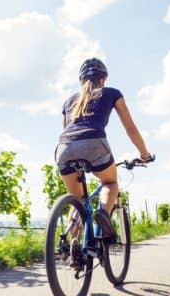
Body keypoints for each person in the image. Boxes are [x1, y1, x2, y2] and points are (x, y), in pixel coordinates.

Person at [55, 58, 153, 237]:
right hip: (94, 141)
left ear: (81, 80)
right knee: (110, 183)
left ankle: (73, 248)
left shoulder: (68, 102)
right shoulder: (111, 93)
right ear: (103, 78)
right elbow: (130, 129)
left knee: (77, 200)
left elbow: (67, 132)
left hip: (64, 148)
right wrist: (144, 154)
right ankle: (104, 214)